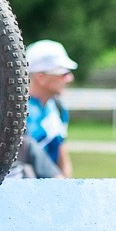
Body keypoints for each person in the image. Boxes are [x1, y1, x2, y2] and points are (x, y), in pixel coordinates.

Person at [26, 40, 76, 177]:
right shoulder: (17, 111)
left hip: (54, 185)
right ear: (41, 77)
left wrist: (65, 185)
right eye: (63, 73)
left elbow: (62, 156)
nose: (70, 78)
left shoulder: (58, 107)